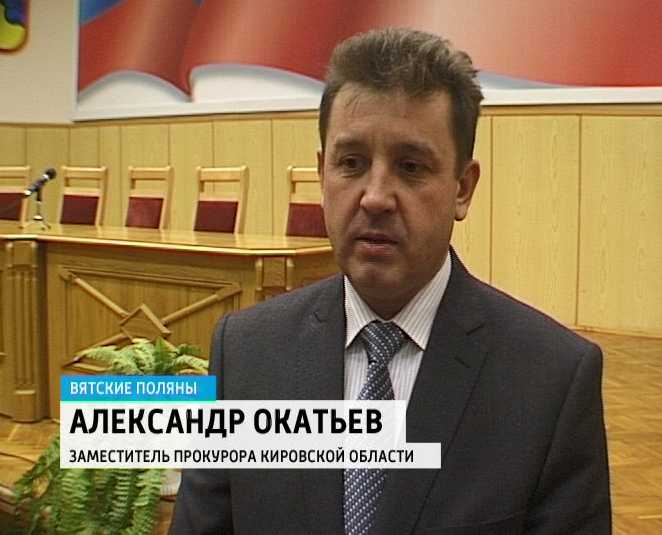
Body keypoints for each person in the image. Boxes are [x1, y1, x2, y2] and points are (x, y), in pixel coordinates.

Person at [170, 28, 611, 534]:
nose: (375, 196)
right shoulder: (246, 353)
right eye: (351, 163)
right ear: (322, 174)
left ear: (463, 188)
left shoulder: (552, 381)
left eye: (411, 166)